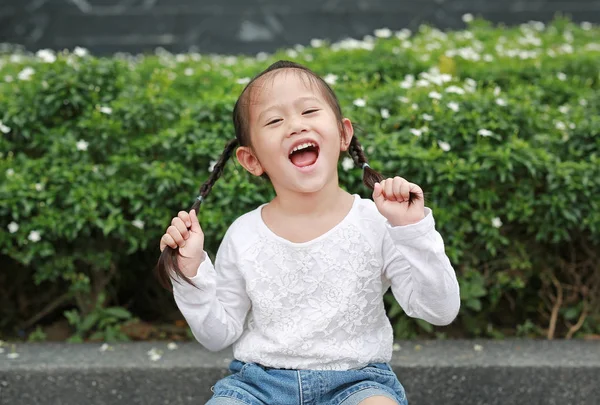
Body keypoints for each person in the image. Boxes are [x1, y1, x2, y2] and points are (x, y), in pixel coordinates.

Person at [156, 60, 460, 405]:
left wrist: (412, 230)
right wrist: (190, 270)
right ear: (251, 159)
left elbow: (440, 310)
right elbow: (217, 335)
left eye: (309, 111)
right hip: (258, 386)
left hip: (358, 383)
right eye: (274, 120)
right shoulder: (243, 235)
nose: (295, 126)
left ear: (343, 134)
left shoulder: (377, 222)